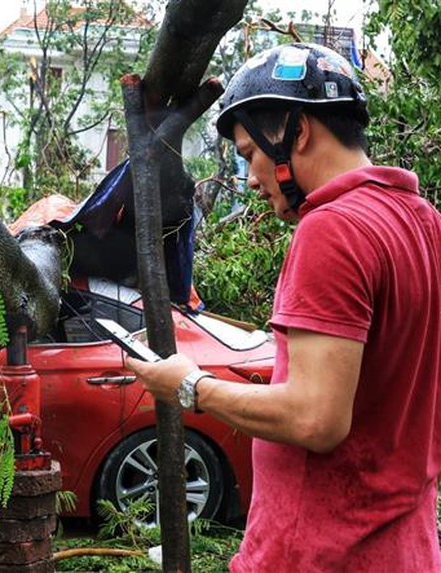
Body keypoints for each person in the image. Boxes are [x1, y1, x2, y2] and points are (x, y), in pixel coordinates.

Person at [127, 43, 441, 571]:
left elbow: (317, 418)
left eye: (250, 153)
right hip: (406, 551)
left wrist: (189, 385)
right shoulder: (426, 224)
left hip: (319, 554)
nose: (250, 178)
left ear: (297, 132)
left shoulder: (333, 228)